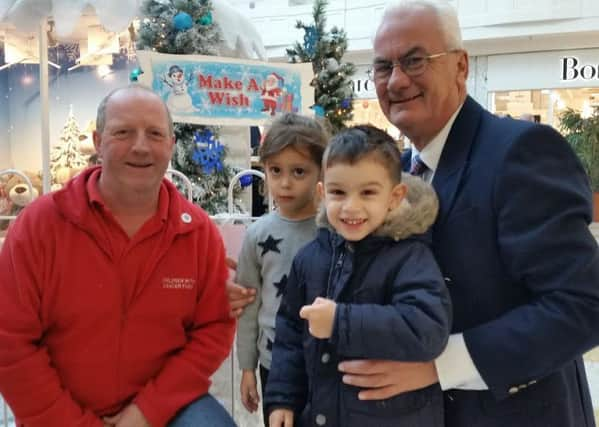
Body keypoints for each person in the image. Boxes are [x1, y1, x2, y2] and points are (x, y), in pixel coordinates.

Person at [334, 1, 599, 427]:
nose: (397, 80)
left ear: (460, 67)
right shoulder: (394, 175)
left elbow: (582, 305)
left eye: (415, 60)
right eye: (383, 67)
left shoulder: (520, 152)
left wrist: (440, 364)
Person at [0, 85, 236, 427]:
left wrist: (146, 412)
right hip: (59, 411)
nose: (140, 147)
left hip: (165, 407)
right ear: (98, 141)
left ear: (171, 144)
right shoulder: (40, 226)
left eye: (154, 134)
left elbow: (213, 329)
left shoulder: (197, 233)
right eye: (123, 132)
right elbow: (10, 340)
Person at [264, 125, 452, 427]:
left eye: (367, 192)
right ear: (323, 193)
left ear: (394, 197)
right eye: (339, 192)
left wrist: (340, 322)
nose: (351, 206)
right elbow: (289, 334)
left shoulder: (410, 256)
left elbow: (427, 328)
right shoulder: (310, 257)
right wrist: (282, 398)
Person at [236, 113, 329, 426]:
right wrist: (247, 367)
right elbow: (248, 305)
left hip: (325, 362)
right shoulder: (257, 235)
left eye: (299, 171)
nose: (285, 182)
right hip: (272, 363)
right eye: (275, 170)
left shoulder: (332, 230)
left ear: (322, 171)